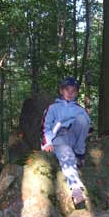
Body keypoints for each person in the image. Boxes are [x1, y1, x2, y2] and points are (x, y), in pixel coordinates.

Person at [41, 77, 91, 206]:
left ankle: (79, 154)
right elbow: (45, 126)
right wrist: (47, 143)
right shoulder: (53, 108)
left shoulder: (79, 108)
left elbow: (87, 127)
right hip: (59, 137)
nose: (70, 93)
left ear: (76, 93)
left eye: (73, 90)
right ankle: (76, 189)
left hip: (73, 137)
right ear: (61, 91)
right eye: (67, 90)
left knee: (83, 119)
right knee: (67, 153)